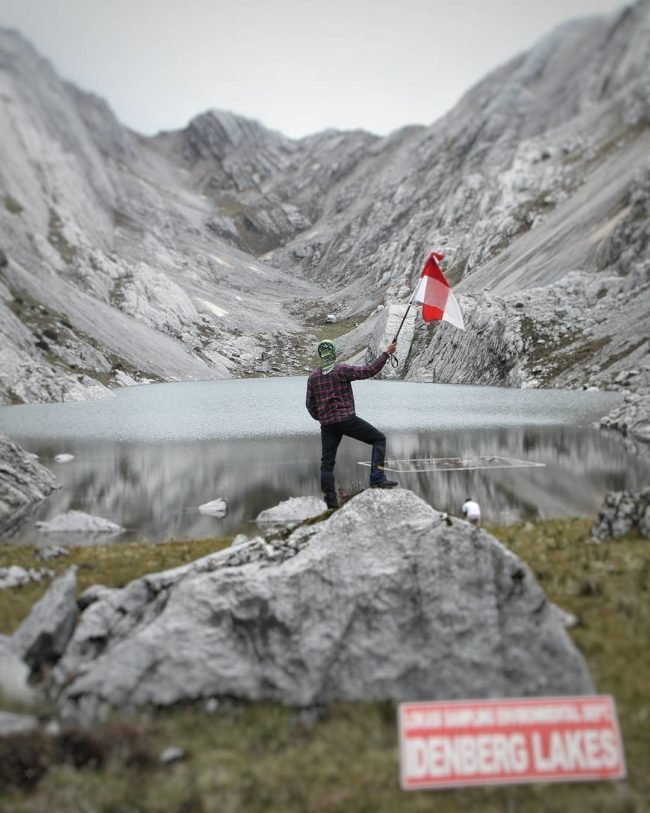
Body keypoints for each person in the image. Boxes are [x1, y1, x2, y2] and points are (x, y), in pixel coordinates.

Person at [306, 339, 398, 509]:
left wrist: (322, 418)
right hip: (346, 419)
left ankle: (331, 503)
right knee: (378, 439)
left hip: (328, 425)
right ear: (333, 353)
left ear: (320, 354)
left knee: (327, 463)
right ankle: (377, 478)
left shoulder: (313, 377)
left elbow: (310, 405)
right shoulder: (341, 370)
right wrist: (386, 354)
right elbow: (369, 370)